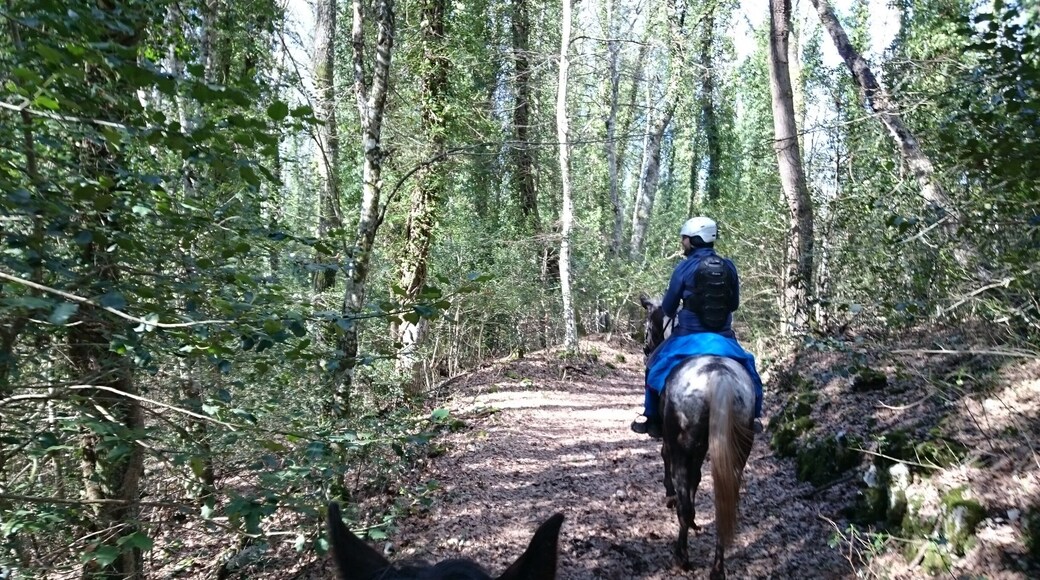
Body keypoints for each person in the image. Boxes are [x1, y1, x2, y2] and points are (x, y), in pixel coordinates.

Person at [631, 216, 763, 438]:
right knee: (749, 368)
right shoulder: (729, 267)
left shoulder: (684, 268)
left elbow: (669, 309)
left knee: (654, 363)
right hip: (724, 338)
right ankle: (754, 417)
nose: (682, 243)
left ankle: (650, 417)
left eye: (684, 239)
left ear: (693, 240)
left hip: (689, 335)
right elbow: (734, 304)